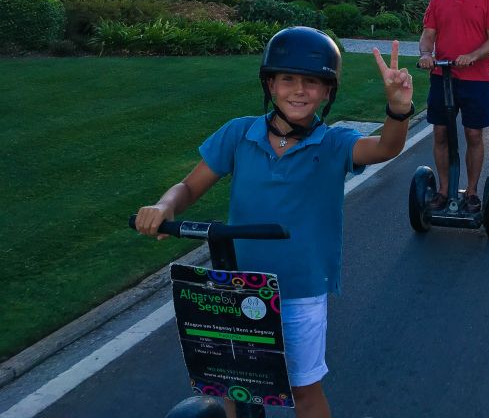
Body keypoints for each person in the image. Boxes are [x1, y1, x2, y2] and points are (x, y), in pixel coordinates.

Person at [134, 27, 415, 418]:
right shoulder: (239, 133)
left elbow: (386, 146)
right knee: (234, 384)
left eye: (312, 82)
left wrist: (398, 108)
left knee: (303, 390)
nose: (299, 91)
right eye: (288, 79)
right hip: (237, 283)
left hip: (299, 288)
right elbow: (189, 185)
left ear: (328, 92)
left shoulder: (334, 143)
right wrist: (165, 206)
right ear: (270, 84)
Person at [418, 0, 489, 213]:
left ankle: (473, 191)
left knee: (473, 134)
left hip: (475, 79)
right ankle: (443, 189)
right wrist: (425, 54)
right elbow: (428, 33)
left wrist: (473, 56)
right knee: (440, 133)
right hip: (443, 77)